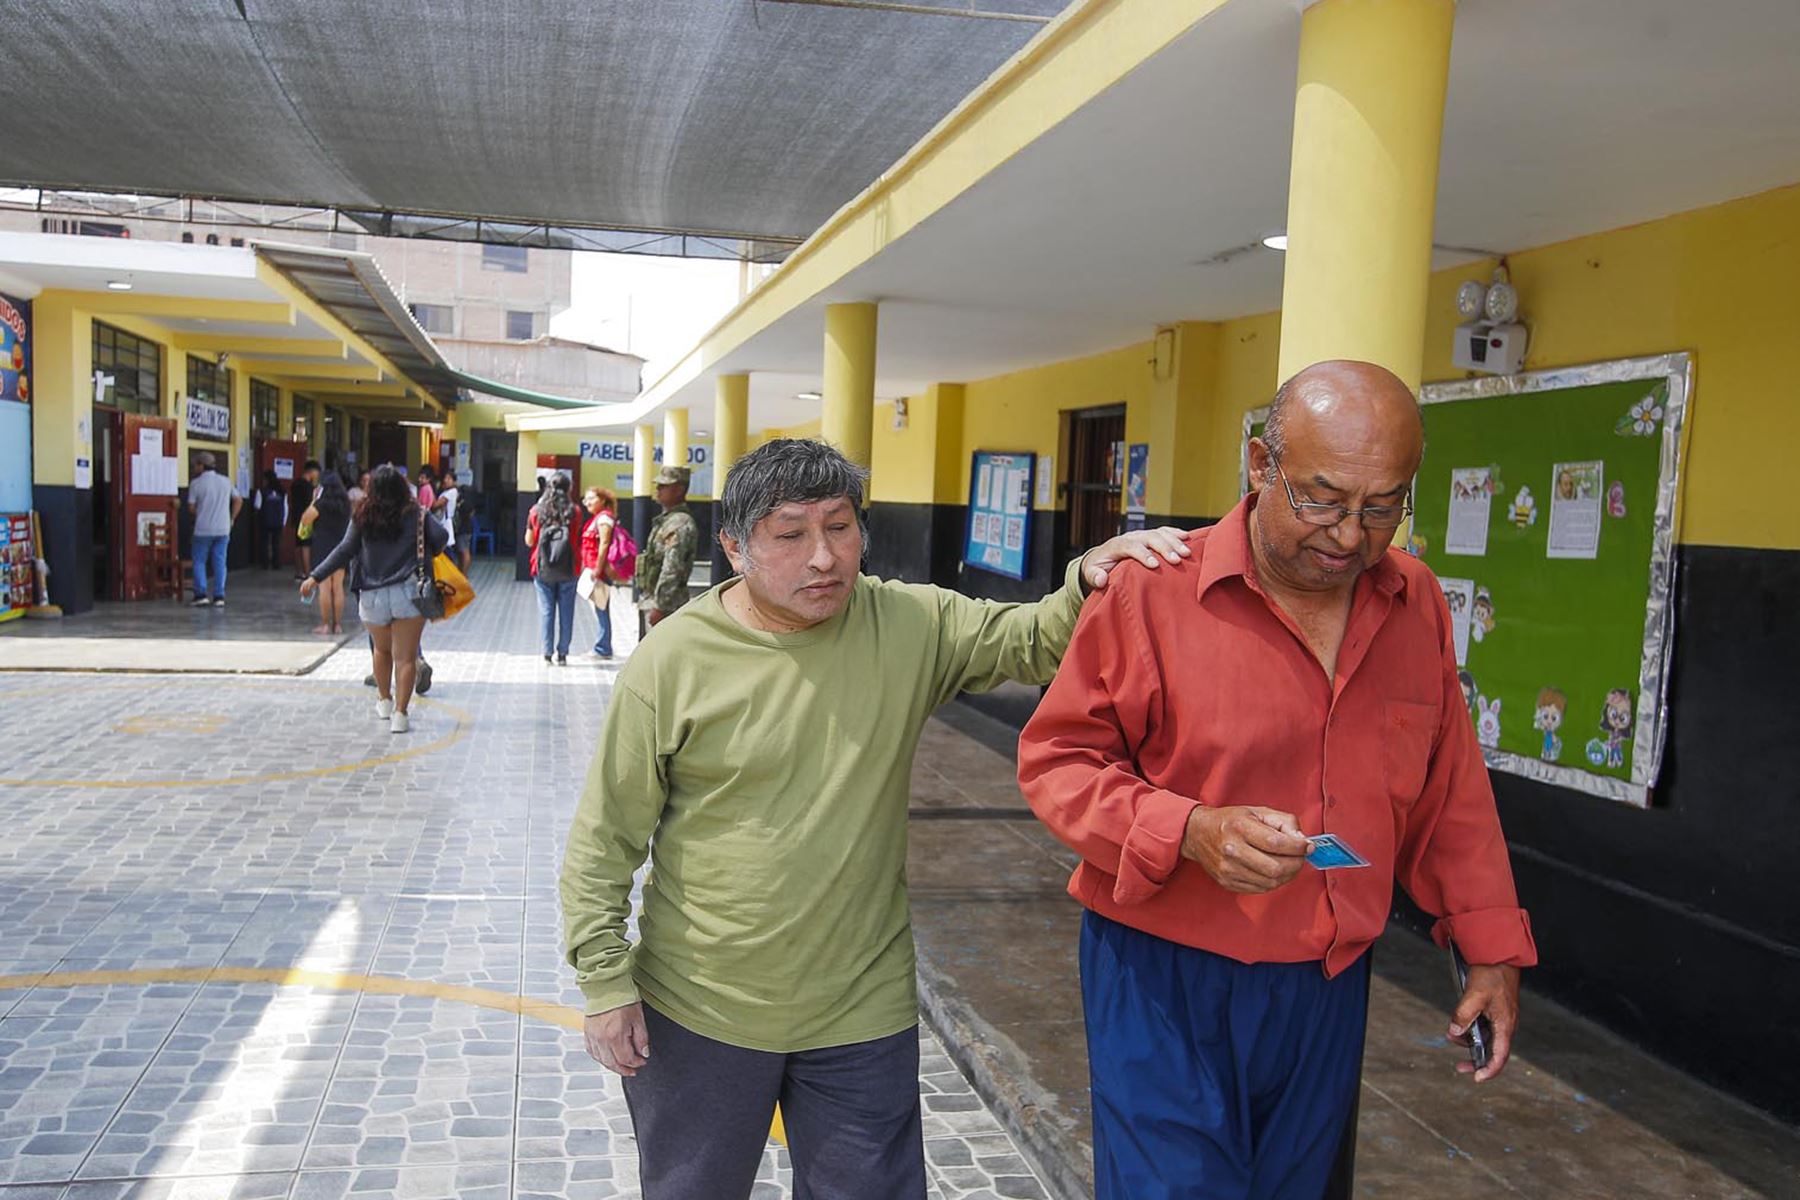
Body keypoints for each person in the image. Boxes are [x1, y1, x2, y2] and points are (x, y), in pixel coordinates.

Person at [559, 438, 1189, 1200]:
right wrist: (605, 983)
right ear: (733, 546)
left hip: (861, 1007)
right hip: (702, 1003)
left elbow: (1034, 639)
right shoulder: (674, 662)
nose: (824, 556)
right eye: (791, 534)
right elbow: (605, 839)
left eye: (841, 526)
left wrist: (1090, 576)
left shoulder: (907, 624)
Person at [1016, 361, 1538, 1199]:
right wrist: (1187, 830)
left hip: (1327, 982)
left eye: (1382, 508)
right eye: (1322, 500)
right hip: (1165, 976)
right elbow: (1058, 762)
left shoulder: (1417, 603)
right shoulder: (1152, 591)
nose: (1347, 536)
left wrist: (1491, 946)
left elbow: (1450, 789)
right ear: (1261, 466)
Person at [302, 464, 446, 734]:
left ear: (372, 489)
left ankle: (384, 701)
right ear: (403, 488)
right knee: (405, 658)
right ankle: (401, 716)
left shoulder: (362, 515)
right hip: (408, 592)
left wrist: (315, 576)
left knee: (381, 651)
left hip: (372, 595)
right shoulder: (416, 514)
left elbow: (345, 549)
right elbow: (442, 537)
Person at [526, 474, 583, 665]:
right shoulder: (575, 511)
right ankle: (563, 653)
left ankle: (547, 653)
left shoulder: (536, 511)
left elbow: (529, 541)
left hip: (542, 568)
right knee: (567, 612)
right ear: (569, 489)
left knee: (546, 611)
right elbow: (576, 537)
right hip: (569, 567)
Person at [634, 464, 698, 627]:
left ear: (679, 490)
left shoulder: (679, 523)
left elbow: (672, 568)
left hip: (667, 606)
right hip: (653, 599)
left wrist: (660, 607)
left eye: (664, 486)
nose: (658, 489)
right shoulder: (667, 520)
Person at [299, 471, 353, 635]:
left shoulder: (320, 504)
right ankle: (337, 625)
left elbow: (305, 520)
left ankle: (325, 625)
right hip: (341, 548)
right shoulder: (346, 505)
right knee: (338, 587)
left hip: (322, 548)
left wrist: (314, 500)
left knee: (324, 588)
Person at [186, 451, 242, 608]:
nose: (194, 468)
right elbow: (238, 500)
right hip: (223, 528)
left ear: (201, 466)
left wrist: (201, 513)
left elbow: (191, 508)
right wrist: (231, 518)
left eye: (196, 465)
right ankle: (219, 596)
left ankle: (201, 595)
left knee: (199, 561)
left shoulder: (196, 484)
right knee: (220, 562)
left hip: (202, 529)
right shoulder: (225, 481)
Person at [578, 486, 618, 658]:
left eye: (592, 498)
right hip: (594, 571)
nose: (587, 502)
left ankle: (603, 647)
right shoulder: (596, 518)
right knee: (599, 608)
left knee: (602, 609)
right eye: (585, 499)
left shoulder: (604, 519)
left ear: (602, 500)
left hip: (599, 574)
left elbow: (604, 544)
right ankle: (603, 645)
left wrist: (597, 568)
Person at [290, 461, 320, 580]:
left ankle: (299, 572)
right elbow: (310, 503)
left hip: (296, 517)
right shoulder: (308, 486)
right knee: (306, 545)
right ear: (311, 471)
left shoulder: (295, 484)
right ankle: (308, 574)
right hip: (307, 518)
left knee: (298, 545)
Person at [253, 470, 286, 570]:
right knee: (276, 543)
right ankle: (276, 563)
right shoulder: (282, 491)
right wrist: (283, 521)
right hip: (278, 521)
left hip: (265, 521)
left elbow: (257, 506)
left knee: (264, 543)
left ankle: (265, 563)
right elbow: (286, 507)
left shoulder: (261, 491)